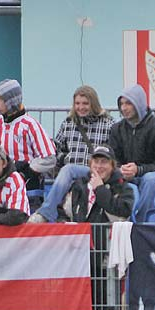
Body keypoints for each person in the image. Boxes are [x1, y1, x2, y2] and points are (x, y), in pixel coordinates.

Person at [57, 145, 134, 310]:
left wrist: (101, 190)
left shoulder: (123, 188)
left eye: (104, 162)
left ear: (112, 165)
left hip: (106, 259)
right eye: (96, 162)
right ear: (90, 164)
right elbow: (65, 211)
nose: (99, 166)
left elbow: (121, 212)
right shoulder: (80, 185)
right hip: (79, 259)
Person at [28, 85, 114, 223]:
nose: (81, 107)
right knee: (68, 169)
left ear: (94, 103)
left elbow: (112, 153)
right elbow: (56, 149)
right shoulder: (68, 123)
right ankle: (51, 212)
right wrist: (65, 157)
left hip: (96, 171)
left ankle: (46, 213)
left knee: (68, 169)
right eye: (77, 103)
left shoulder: (108, 124)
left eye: (85, 103)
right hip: (72, 172)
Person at [109, 84, 155, 222]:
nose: (124, 108)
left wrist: (139, 170)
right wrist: (121, 169)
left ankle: (142, 224)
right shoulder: (116, 129)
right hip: (126, 175)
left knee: (151, 180)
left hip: (152, 176)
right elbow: (113, 159)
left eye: (128, 103)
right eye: (121, 104)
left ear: (139, 104)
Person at [0, 79, 56, 201]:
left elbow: (49, 158)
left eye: (0, 99)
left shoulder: (30, 125)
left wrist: (27, 170)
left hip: (26, 190)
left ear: (11, 100)